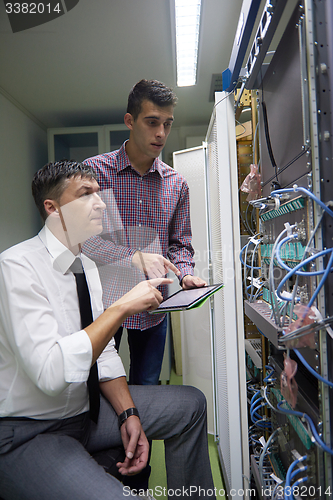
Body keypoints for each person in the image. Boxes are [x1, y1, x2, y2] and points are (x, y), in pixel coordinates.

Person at [0, 160, 216, 500]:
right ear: (52, 207)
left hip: (86, 411)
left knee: (189, 404)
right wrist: (120, 308)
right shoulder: (16, 267)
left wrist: (129, 413)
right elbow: (50, 374)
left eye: (100, 194)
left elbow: (105, 352)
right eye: (86, 194)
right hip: (33, 429)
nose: (102, 203)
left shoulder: (85, 265)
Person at [83, 79, 207, 388]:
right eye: (152, 122)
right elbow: (83, 241)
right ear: (130, 121)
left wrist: (185, 274)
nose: (161, 133)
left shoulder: (177, 184)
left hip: (154, 307)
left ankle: (142, 439)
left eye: (167, 124)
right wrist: (136, 257)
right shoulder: (94, 172)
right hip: (104, 302)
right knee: (95, 385)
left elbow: (180, 243)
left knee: (147, 389)